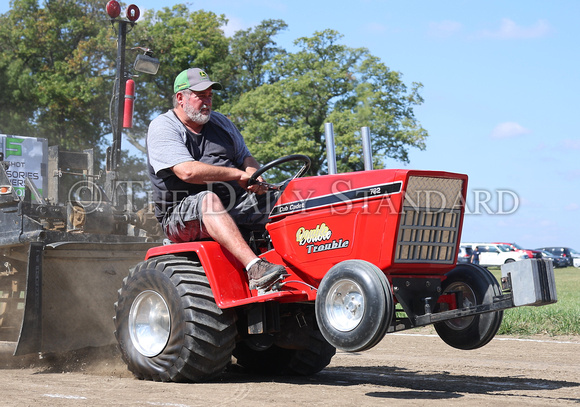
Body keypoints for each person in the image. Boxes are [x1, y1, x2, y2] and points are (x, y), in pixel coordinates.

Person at [147, 67, 285, 290]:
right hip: (179, 215)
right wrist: (238, 174)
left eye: (210, 96)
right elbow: (187, 171)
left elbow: (246, 158)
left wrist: (252, 175)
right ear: (180, 98)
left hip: (234, 203)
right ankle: (255, 268)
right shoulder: (163, 126)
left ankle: (304, 262)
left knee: (286, 195)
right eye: (200, 96)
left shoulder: (221, 123)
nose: (207, 102)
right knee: (207, 201)